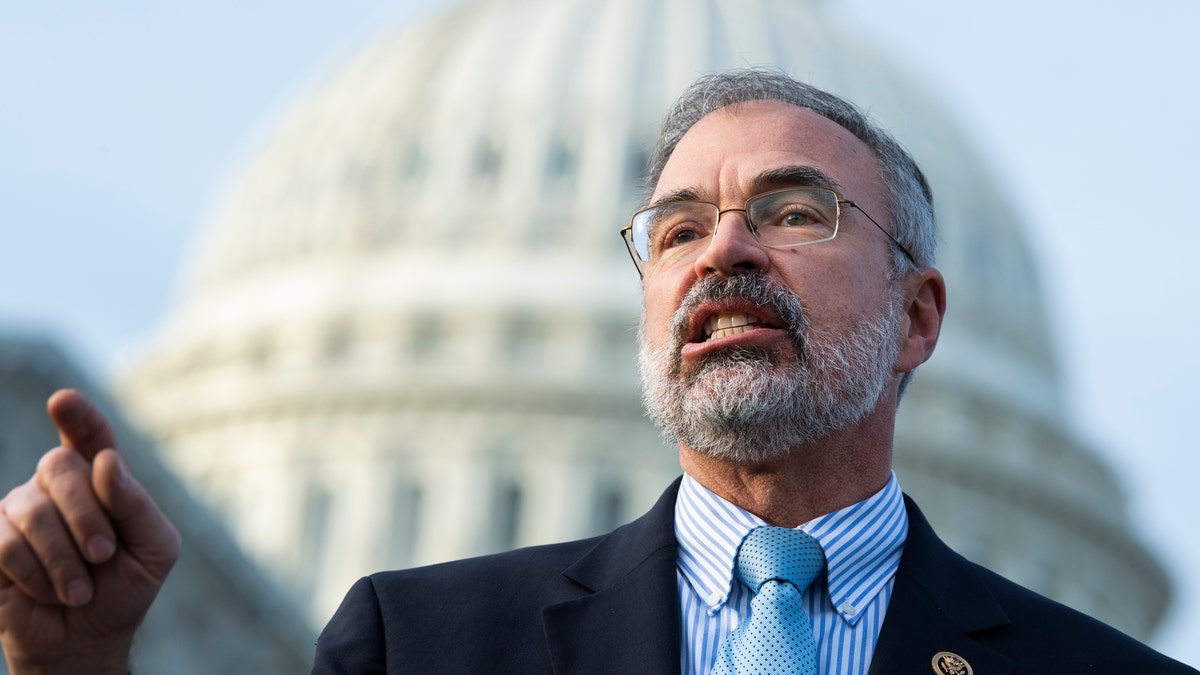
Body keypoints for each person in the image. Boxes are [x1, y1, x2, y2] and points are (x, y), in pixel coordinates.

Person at [0, 69, 1194, 675]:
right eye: (675, 230)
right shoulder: (423, 650)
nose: (724, 248)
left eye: (793, 211)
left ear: (918, 315)